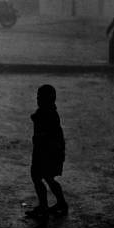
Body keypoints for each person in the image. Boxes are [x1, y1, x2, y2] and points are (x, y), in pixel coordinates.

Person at [26, 84, 67, 219]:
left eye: (40, 97)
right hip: (46, 152)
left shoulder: (47, 114)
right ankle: (59, 203)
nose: (38, 99)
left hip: (46, 152)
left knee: (40, 177)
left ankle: (46, 205)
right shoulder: (48, 112)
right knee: (46, 178)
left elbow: (47, 134)